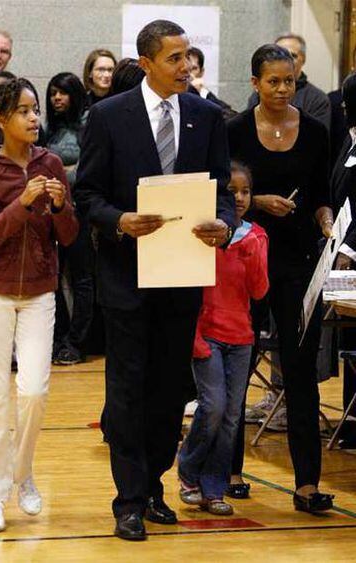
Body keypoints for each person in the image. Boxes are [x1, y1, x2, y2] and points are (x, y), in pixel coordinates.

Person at [75, 19, 235, 541]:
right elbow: (88, 196)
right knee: (126, 392)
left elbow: (224, 196)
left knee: (169, 392)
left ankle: (154, 487)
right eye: (174, 58)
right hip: (126, 277)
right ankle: (128, 500)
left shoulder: (207, 117)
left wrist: (225, 225)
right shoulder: (106, 116)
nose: (186, 66)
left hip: (184, 275)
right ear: (146, 63)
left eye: (188, 56)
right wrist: (119, 220)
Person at [228, 43, 334, 513]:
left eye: (288, 80)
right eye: (272, 81)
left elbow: (322, 196)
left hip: (296, 261)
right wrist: (261, 201)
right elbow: (223, 194)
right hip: (244, 259)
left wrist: (327, 220)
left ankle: (307, 482)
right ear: (254, 84)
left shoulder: (314, 132)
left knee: (300, 369)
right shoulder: (232, 132)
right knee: (238, 364)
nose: (282, 88)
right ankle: (228, 470)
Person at [0, 77, 78, 532]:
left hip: (39, 292)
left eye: (36, 110)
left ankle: (23, 475)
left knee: (33, 391)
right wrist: (23, 202)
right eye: (24, 111)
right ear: (0, 119)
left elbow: (69, 237)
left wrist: (57, 208)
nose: (35, 118)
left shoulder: (51, 162)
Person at [178, 161, 268, 515]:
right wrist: (195, 335)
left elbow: (259, 292)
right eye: (232, 192)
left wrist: (254, 255)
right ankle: (188, 470)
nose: (240, 198)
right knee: (213, 406)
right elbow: (191, 289)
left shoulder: (257, 235)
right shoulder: (203, 234)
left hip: (241, 338)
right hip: (208, 335)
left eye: (246, 191)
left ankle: (214, 487)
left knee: (232, 415)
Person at [44, 72, 92, 364]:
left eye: (62, 93)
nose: (57, 98)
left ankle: (77, 341)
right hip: (52, 210)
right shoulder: (50, 128)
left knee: (81, 278)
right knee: (54, 276)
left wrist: (58, 173)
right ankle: (60, 337)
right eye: (52, 93)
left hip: (81, 211)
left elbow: (87, 168)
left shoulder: (88, 123)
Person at [330, 72, 356, 448]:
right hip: (340, 251)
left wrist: (349, 249)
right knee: (350, 336)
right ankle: (351, 423)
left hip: (350, 254)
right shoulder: (349, 144)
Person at [247, 33, 330, 131]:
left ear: (303, 58)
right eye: (278, 55)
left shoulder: (317, 99)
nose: (284, 61)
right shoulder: (259, 95)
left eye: (292, 56)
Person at [187, 46, 237, 120]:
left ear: (201, 72)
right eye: (186, 68)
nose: (189, 75)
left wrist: (202, 93)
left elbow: (232, 118)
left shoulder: (206, 96)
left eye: (194, 69)